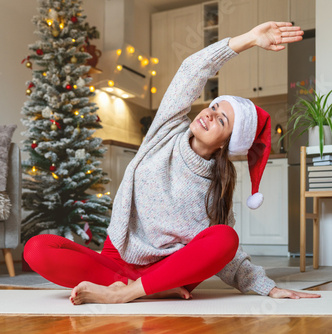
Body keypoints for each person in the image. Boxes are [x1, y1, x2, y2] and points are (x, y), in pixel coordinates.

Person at [24, 21, 322, 305]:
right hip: (119, 261)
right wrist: (247, 40)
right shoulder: (167, 130)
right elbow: (192, 70)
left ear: (226, 145)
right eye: (214, 106)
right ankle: (144, 291)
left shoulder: (218, 187)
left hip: (170, 270)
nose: (209, 113)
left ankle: (125, 293)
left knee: (225, 237)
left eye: (221, 119)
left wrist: (267, 288)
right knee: (36, 248)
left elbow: (228, 255)